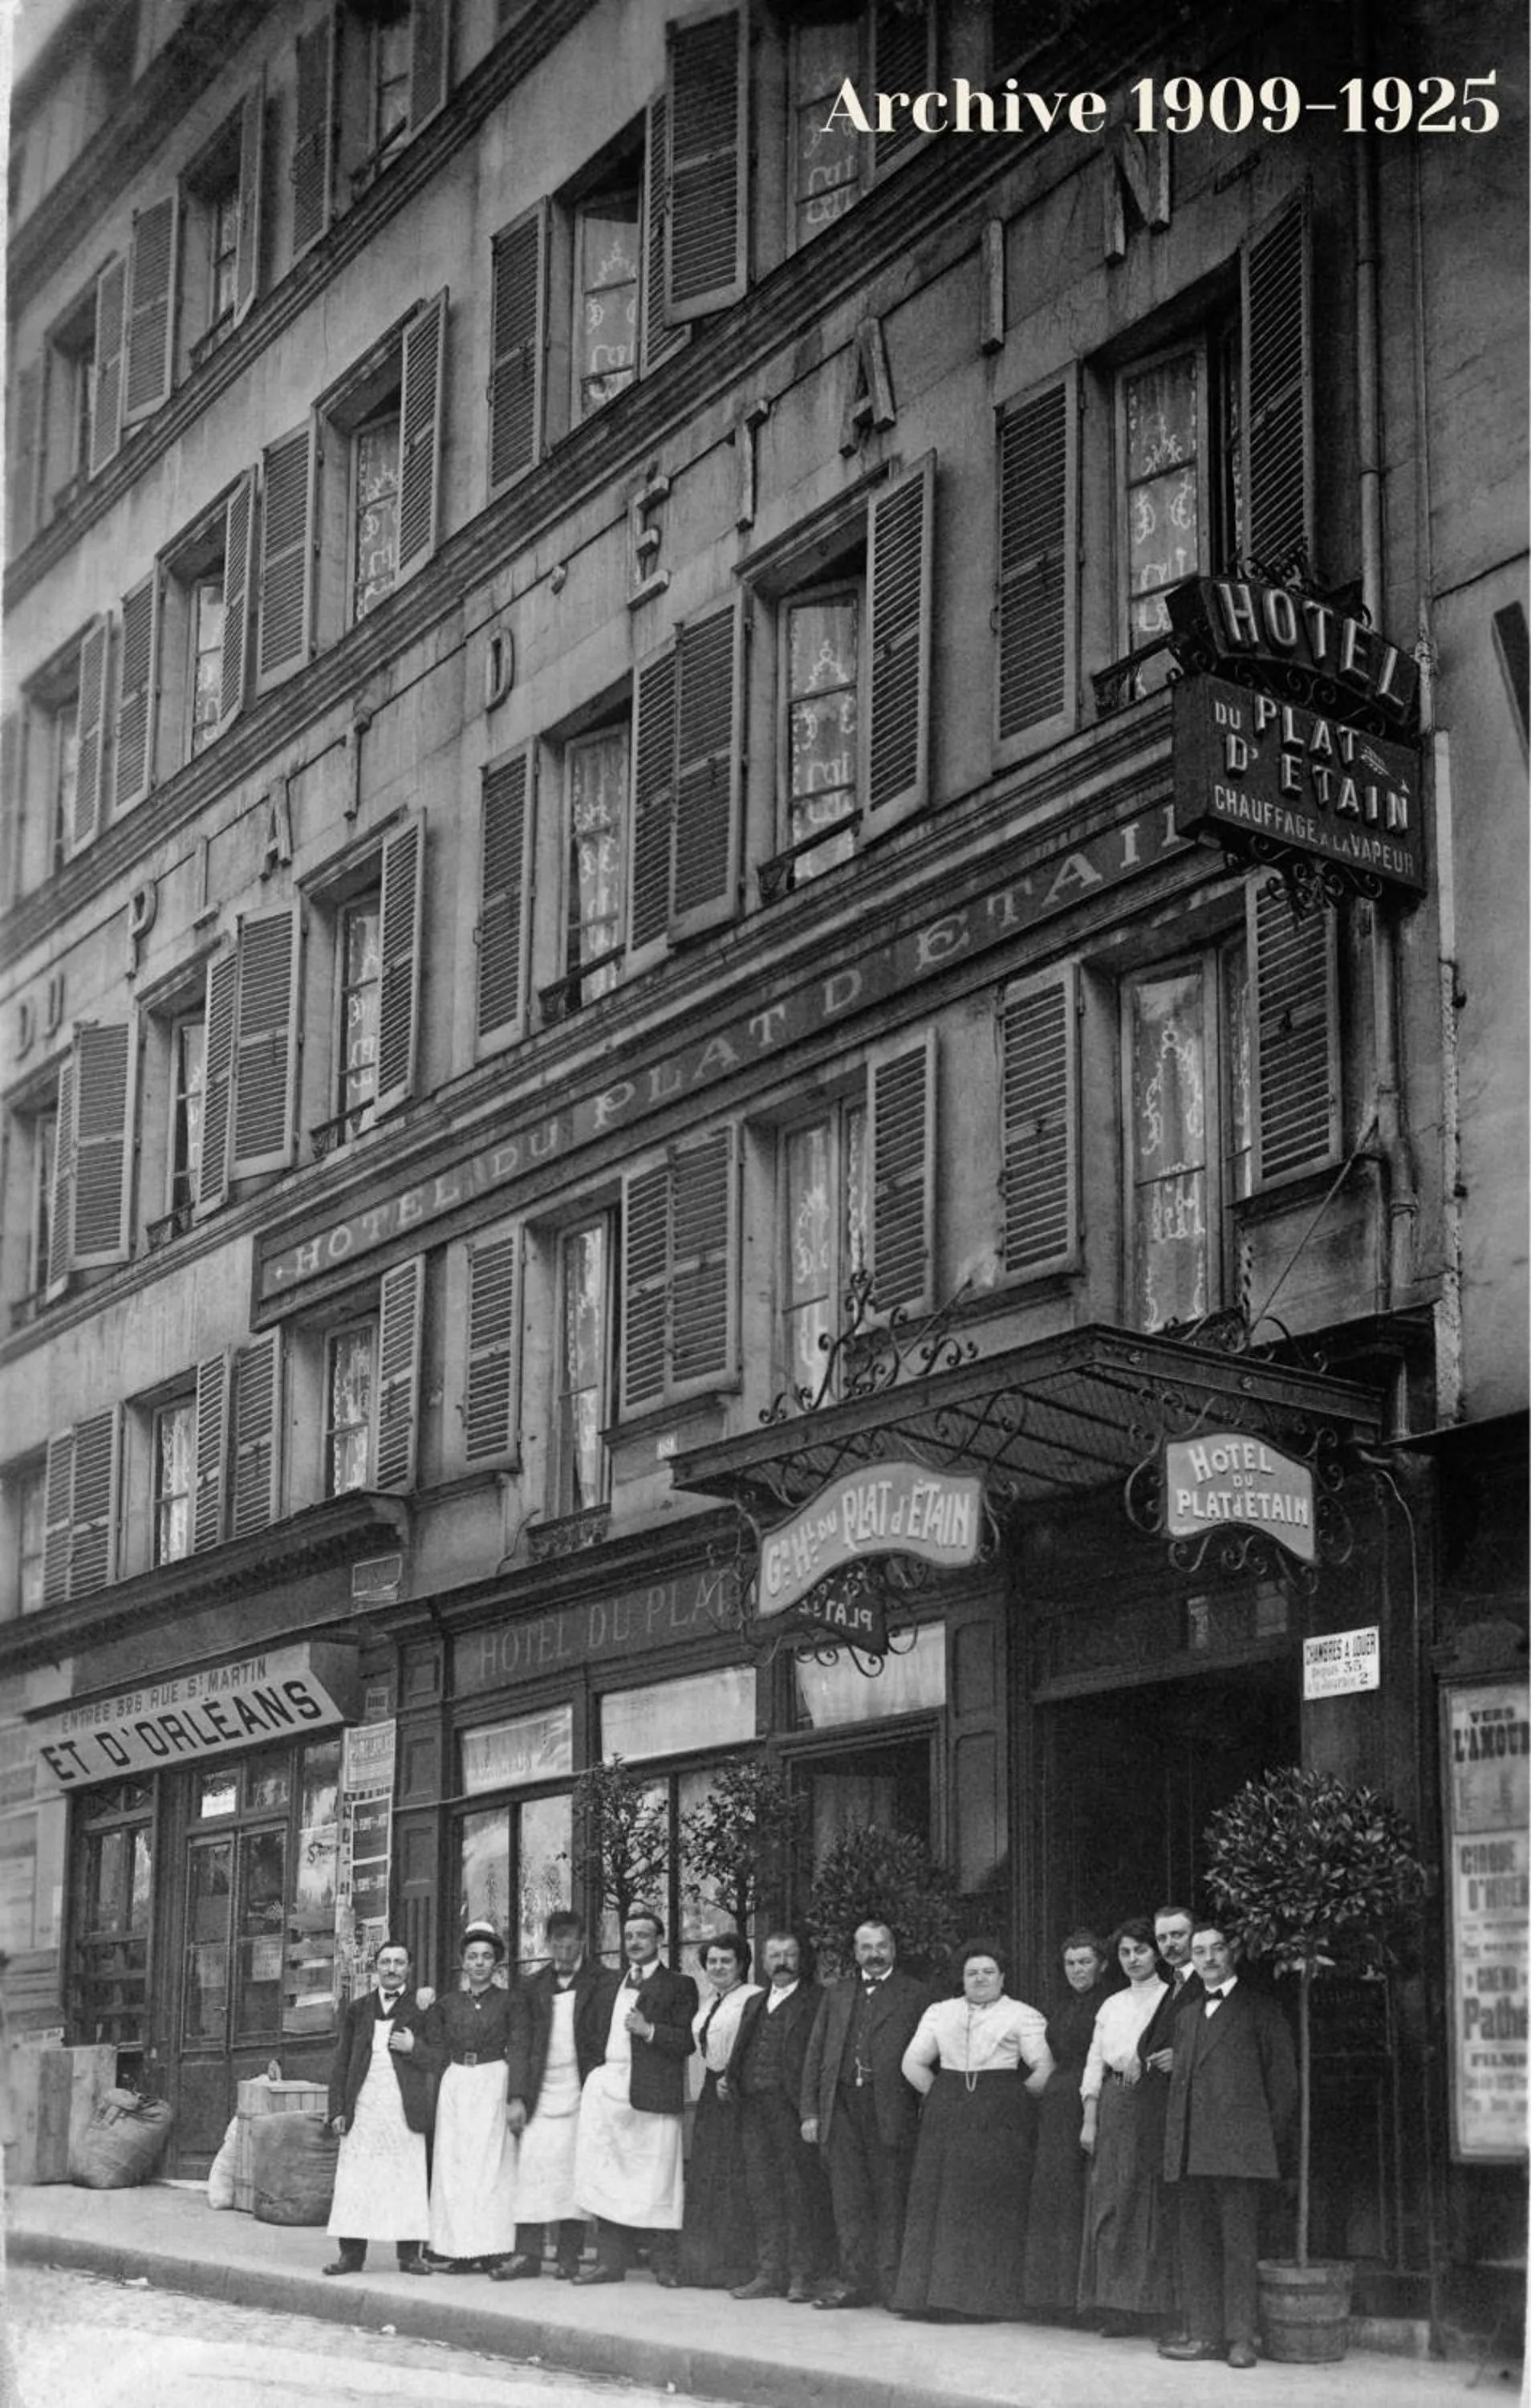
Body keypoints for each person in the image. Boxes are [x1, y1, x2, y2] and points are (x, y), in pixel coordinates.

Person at [1160, 1921, 1298, 2371]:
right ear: (1192, 1960)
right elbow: (1180, 2088)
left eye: (1217, 1948)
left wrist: (1262, 2143)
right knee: (1197, 2245)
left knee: (1239, 2246)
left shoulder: (1261, 2009)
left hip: (1242, 2154)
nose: (1209, 1958)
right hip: (1193, 2153)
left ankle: (1241, 2338)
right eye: (1199, 1951)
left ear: (1231, 1953)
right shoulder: (1185, 2018)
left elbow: (1283, 2085)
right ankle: (1203, 2335)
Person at [891, 1938, 1053, 2321]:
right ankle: (932, 2299)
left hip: (999, 2114)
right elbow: (912, 2063)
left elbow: (1044, 2069)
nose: (980, 1979)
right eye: (972, 1973)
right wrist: (944, 2096)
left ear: (1002, 1977)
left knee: (987, 2202)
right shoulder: (939, 2012)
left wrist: (1010, 2097)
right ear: (961, 1978)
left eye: (988, 1972)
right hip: (946, 2109)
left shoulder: (1022, 2015)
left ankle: (985, 2301)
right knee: (939, 2201)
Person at [800, 1918, 928, 2310]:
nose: (874, 1955)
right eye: (866, 1947)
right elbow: (816, 2053)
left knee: (890, 2196)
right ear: (855, 1953)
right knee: (848, 2198)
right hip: (841, 2107)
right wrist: (811, 2112)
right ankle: (854, 2282)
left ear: (893, 1949)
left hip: (889, 2107)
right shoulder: (837, 1994)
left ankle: (891, 2285)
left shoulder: (916, 1994)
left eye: (881, 1946)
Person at [572, 1905, 697, 2284]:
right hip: (610, 2088)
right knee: (608, 2173)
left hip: (653, 2092)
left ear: (659, 1940)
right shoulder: (609, 1984)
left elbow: (686, 2041)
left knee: (657, 2175)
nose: (635, 1942)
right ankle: (611, 2262)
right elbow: (588, 2031)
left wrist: (649, 2030)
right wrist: (596, 2073)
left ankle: (664, 2264)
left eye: (643, 1935)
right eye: (628, 1936)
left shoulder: (679, 1985)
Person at [497, 1908, 617, 2280]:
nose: (564, 1948)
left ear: (583, 1942)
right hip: (541, 2092)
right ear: (548, 1943)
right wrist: (516, 2096)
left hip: (583, 2092)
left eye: (571, 1940)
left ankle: (569, 2256)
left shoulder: (603, 1982)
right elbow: (519, 2043)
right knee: (533, 2172)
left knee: (573, 2175)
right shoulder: (532, 1987)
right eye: (557, 1940)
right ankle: (527, 2254)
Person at [725, 1930, 835, 2304]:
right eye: (774, 1955)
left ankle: (802, 2276)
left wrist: (812, 2111)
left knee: (799, 2192)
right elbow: (744, 2049)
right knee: (763, 2191)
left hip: (792, 2111)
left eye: (789, 1954)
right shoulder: (756, 2002)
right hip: (755, 2111)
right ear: (763, 1960)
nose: (782, 1962)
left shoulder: (817, 2000)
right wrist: (731, 2080)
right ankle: (769, 2273)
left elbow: (821, 2060)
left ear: (800, 1958)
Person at [1077, 1915, 1173, 2336]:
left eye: (1141, 1950)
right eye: (1125, 1952)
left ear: (1156, 1953)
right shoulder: (1111, 2004)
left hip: (1154, 2102)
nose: (1133, 1959)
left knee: (1148, 2201)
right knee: (1112, 2200)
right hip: (1113, 2104)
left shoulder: (1173, 1999)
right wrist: (1090, 2118)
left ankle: (1151, 2306)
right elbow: (1095, 2061)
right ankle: (1114, 2306)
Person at [323, 1938, 435, 2276]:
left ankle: (410, 2255)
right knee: (357, 2180)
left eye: (399, 1963)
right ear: (376, 1967)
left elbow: (439, 2057)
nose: (391, 1969)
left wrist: (414, 2048)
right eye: (385, 1962)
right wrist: (338, 2110)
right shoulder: (358, 2009)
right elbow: (341, 2062)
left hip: (403, 2106)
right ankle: (351, 2255)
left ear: (409, 1969)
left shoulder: (421, 2008)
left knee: (407, 2178)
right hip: (365, 2104)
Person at [417, 1921, 518, 2273]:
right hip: (458, 2082)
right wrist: (423, 2003)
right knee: (456, 2165)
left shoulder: (508, 2001)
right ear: (463, 1962)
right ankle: (458, 2248)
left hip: (493, 2080)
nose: (479, 1963)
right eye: (473, 1956)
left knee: (490, 2165)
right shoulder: (447, 2004)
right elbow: (427, 2043)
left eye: (486, 1957)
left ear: (496, 1964)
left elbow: (520, 2045)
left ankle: (491, 2247)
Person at [1021, 1927, 1111, 2320]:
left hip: (1091, 2100)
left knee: (1083, 2197)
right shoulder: (1057, 2006)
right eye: (1070, 1963)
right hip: (1057, 2107)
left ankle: (1084, 2302)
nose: (1077, 1970)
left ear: (1102, 1965)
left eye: (1085, 1962)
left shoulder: (1110, 2006)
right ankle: (1051, 2298)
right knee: (1054, 2197)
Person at [1136, 1902, 1205, 2343]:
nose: (1170, 1945)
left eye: (1178, 1935)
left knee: (1194, 2226)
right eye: (1163, 1939)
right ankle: (1183, 2318)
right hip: (1165, 2124)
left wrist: (1182, 2058)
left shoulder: (1208, 1986)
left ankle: (1195, 2322)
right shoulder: (1174, 1986)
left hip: (1194, 2125)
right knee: (1178, 2225)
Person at [676, 1931, 761, 2288]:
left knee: (733, 2177)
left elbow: (756, 2047)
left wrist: (735, 2079)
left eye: (726, 1961)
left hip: (738, 2092)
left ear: (741, 1964)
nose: (719, 1967)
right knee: (707, 2174)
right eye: (712, 1961)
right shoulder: (711, 2000)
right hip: (712, 2090)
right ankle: (703, 2268)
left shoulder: (752, 1998)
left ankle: (735, 2266)